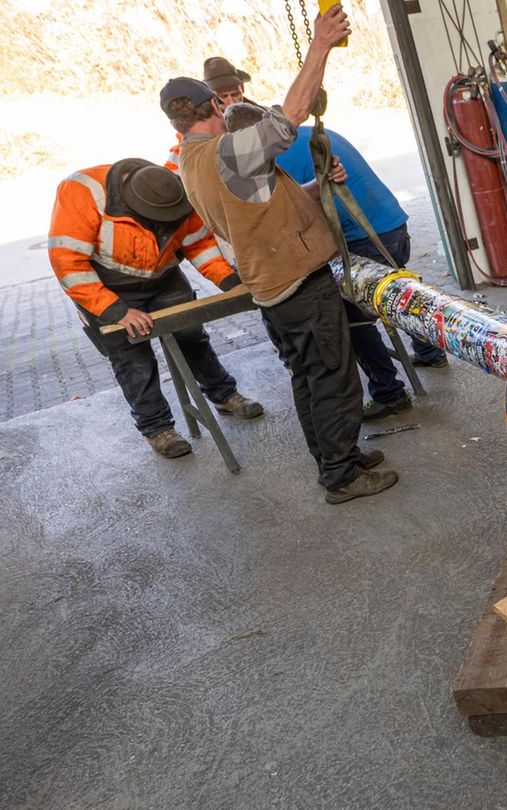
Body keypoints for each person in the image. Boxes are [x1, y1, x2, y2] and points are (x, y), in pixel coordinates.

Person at [163, 2, 399, 504]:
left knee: (309, 377)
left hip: (273, 286)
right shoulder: (222, 151)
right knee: (333, 377)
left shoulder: (189, 162)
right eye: (222, 103)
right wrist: (319, 46)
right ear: (212, 107)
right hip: (298, 281)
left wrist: (314, 187)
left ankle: (338, 458)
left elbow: (255, 205)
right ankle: (341, 476)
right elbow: (289, 117)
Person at [204, 57, 449, 375]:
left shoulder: (273, 158)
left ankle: (388, 391)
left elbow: (289, 211)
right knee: (397, 290)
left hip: (366, 237)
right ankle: (429, 351)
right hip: (393, 225)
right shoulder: (303, 134)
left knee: (350, 317)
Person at [48, 159, 265, 458]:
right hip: (105, 286)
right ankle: (157, 428)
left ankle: (224, 395)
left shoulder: (174, 190)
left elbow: (198, 245)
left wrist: (230, 282)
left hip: (163, 277)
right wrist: (116, 311)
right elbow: (68, 265)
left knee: (191, 334)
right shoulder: (83, 192)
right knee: (132, 358)